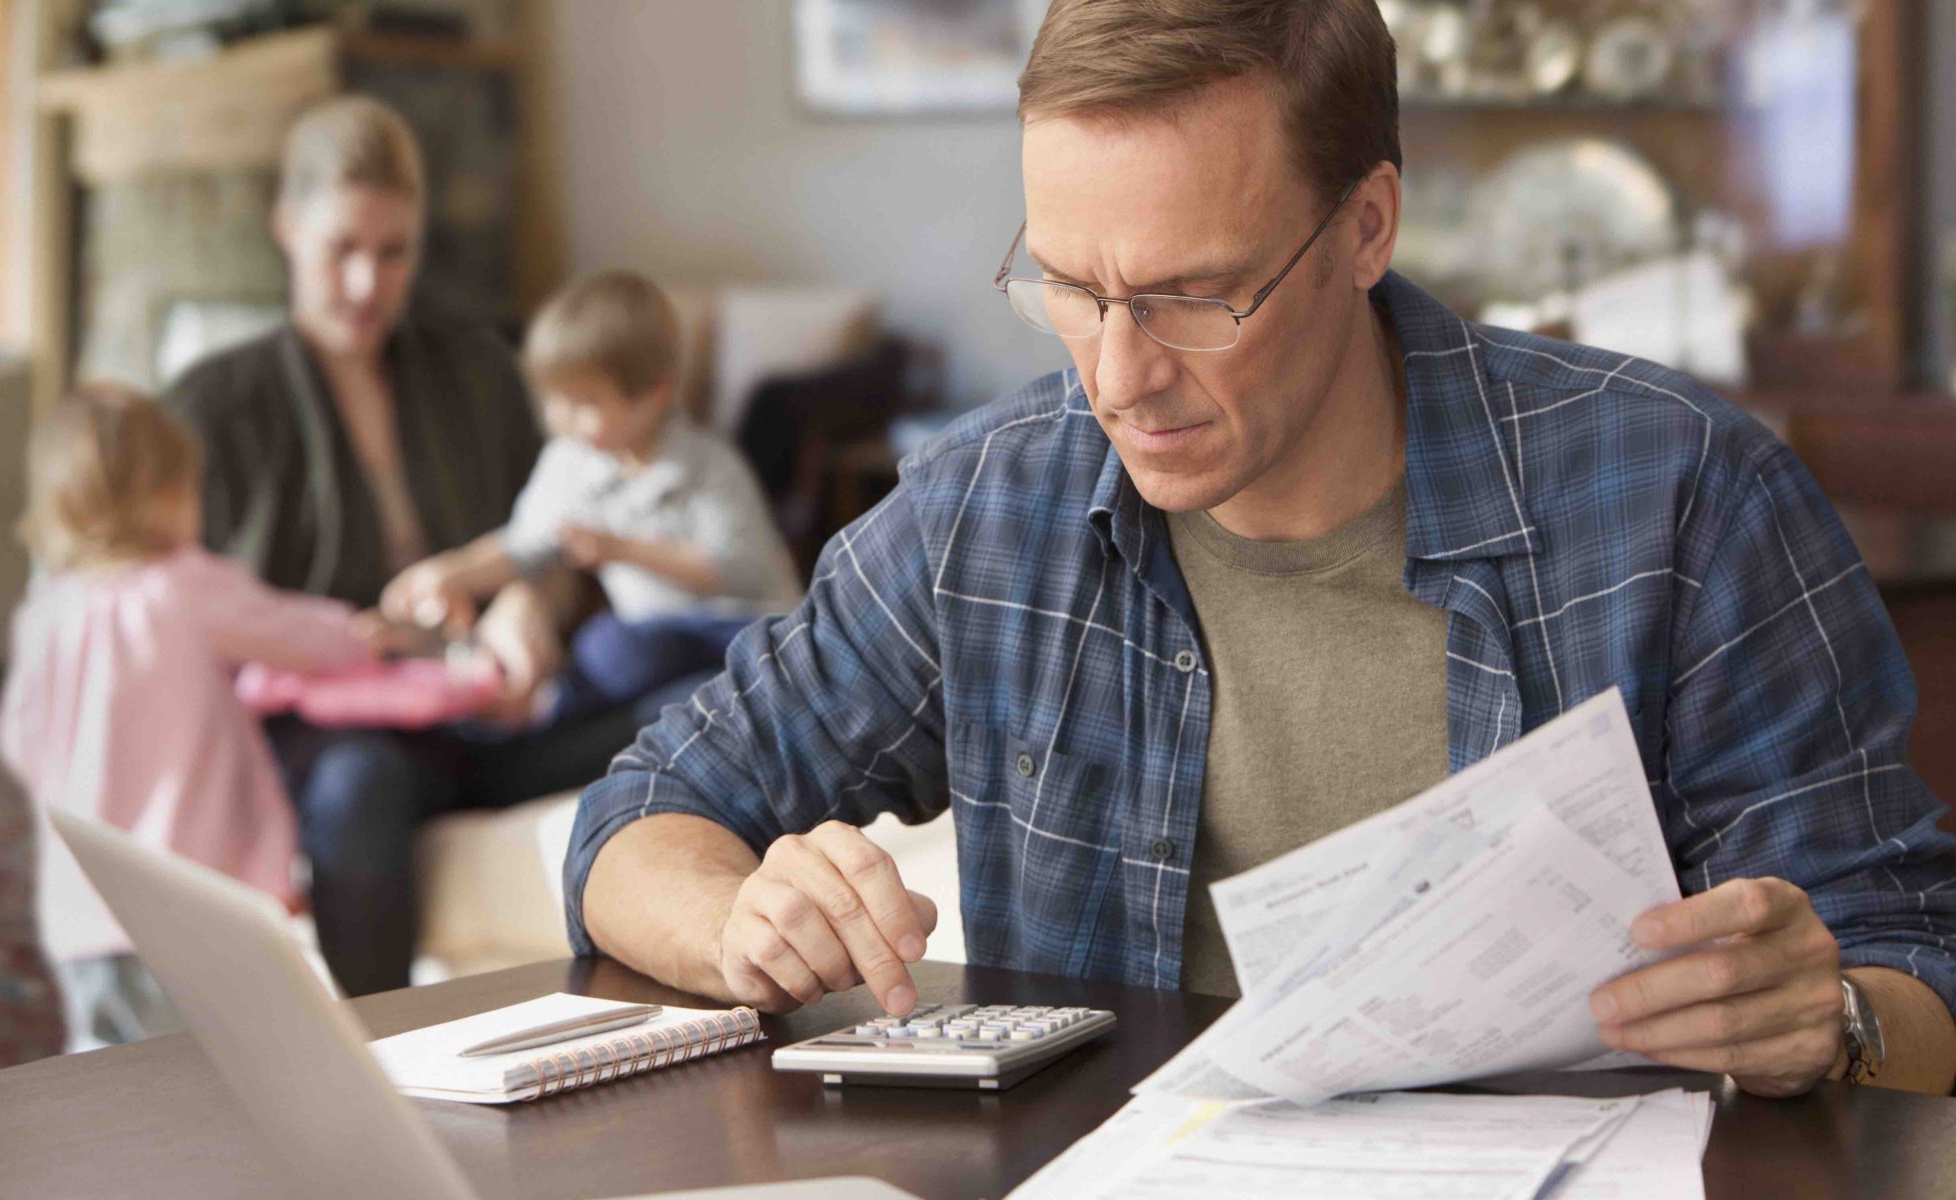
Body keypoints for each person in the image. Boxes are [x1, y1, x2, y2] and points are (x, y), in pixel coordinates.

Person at [567, 0, 1956, 1099]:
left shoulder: (1683, 499)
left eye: (1191, 297)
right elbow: (637, 818)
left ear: (1365, 227)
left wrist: (1826, 1018)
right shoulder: (988, 507)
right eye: (1069, 285)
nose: (1116, 378)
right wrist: (737, 921)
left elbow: (1917, 974)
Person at [163, 96, 663, 997]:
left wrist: (525, 606)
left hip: (491, 714)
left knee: (703, 696)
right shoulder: (210, 409)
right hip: (336, 736)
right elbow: (178, 622)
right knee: (361, 790)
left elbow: (556, 549)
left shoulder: (479, 372)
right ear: (286, 226)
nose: (367, 283)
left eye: (393, 253)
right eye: (341, 250)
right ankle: (384, 1069)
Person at [0, 386, 386, 1047]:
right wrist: (370, 632)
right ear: (169, 497)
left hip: (82, 913)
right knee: (215, 1077)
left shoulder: (45, 616)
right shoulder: (183, 586)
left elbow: (17, 741)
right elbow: (301, 636)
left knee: (111, 1086)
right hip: (192, 907)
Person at [381, 271, 801, 724]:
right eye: (552, 400)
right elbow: (524, 545)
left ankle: (552, 716)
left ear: (654, 395)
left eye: (584, 402)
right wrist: (451, 574)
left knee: (616, 647)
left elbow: (738, 567)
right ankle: (526, 718)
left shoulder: (709, 466)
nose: (562, 419)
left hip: (742, 628)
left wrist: (620, 548)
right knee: (615, 654)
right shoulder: (571, 462)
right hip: (658, 640)